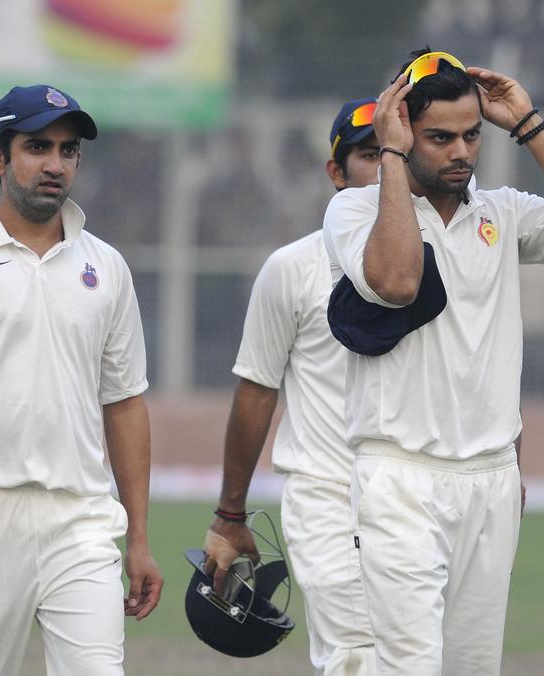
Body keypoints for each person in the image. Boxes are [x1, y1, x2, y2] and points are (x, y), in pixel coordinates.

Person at [322, 49, 544, 675]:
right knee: (409, 666)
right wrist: (394, 159)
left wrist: (526, 122)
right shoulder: (356, 210)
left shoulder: (502, 212)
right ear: (400, 128)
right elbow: (399, 280)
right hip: (400, 474)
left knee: (471, 669)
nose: (461, 152)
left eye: (471, 136)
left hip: (491, 479)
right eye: (439, 137)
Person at [0, 84, 163, 675]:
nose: (55, 164)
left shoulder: (106, 267)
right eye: (38, 147)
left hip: (81, 520)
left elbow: (124, 404)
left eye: (68, 151)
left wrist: (138, 538)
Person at [202, 97, 381, 676]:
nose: (387, 165)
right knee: (355, 657)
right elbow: (256, 392)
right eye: (369, 154)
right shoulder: (292, 268)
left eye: (397, 150)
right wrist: (230, 515)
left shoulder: (444, 262)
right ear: (337, 172)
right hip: (325, 492)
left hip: (416, 492)